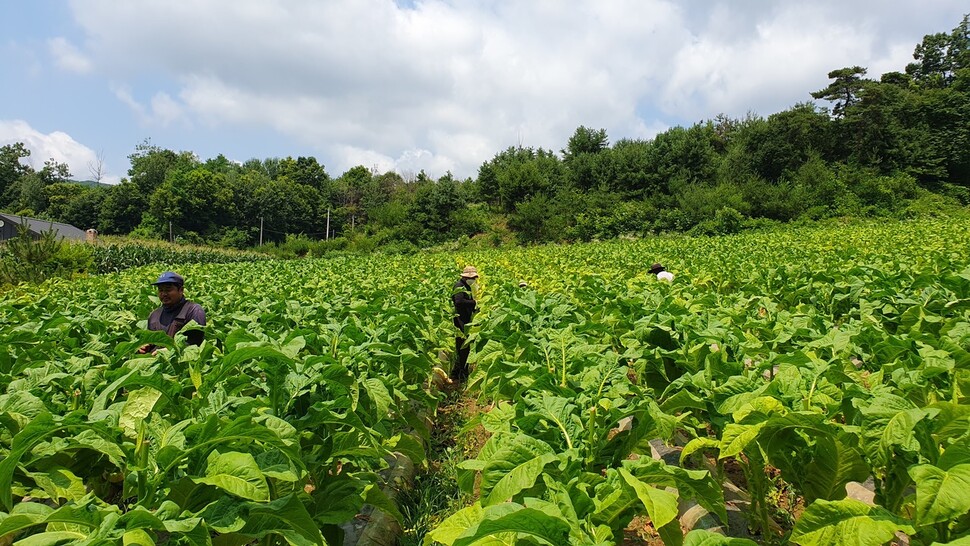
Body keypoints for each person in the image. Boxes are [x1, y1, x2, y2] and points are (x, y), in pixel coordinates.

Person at [138, 271, 207, 354]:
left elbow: (196, 343)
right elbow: (150, 341)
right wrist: (144, 346)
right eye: (160, 290)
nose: (164, 294)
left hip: (181, 364)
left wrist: (172, 351)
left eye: (168, 290)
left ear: (181, 290)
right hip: (155, 364)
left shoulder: (193, 310)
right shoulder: (154, 315)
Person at [451, 265, 478, 382]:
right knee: (462, 346)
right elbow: (459, 302)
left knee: (464, 346)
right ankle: (461, 373)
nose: (474, 280)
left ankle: (461, 371)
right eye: (473, 277)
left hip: (465, 319)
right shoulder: (459, 286)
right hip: (460, 320)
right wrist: (474, 302)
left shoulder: (466, 286)